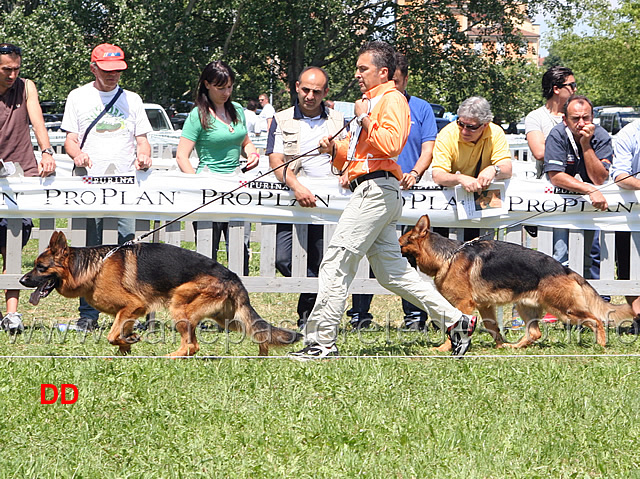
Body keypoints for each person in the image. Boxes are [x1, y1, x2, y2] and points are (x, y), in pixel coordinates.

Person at [289, 41, 476, 361]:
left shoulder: (392, 101)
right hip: (375, 190)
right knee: (393, 274)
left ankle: (321, 343)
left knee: (336, 262)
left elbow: (390, 146)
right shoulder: (372, 102)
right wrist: (333, 150)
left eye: (363, 69)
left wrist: (363, 119)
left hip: (375, 193)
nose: (357, 74)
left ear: (383, 72)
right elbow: (360, 158)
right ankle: (457, 321)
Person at [61, 43, 153, 332]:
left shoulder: (133, 99)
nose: (113, 75)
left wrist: (145, 154)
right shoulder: (78, 96)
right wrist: (77, 155)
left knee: (127, 250)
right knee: (88, 252)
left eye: (118, 70)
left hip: (125, 187)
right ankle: (88, 316)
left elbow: (142, 139)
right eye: (107, 70)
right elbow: (70, 139)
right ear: (93, 68)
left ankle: (129, 313)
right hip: (88, 185)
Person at [348, 52, 439, 331]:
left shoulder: (412, 106)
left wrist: (414, 173)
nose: (395, 88)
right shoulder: (372, 104)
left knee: (404, 257)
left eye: (399, 82)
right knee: (383, 264)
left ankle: (415, 317)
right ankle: (359, 314)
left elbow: (423, 148)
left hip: (396, 187)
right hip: (378, 187)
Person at [266, 66, 346, 329]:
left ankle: (308, 317)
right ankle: (315, 302)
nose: (310, 96)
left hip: (330, 204)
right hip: (293, 200)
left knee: (324, 260)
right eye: (305, 90)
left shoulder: (339, 120)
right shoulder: (281, 118)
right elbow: (275, 159)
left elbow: (349, 157)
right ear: (297, 87)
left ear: (326, 92)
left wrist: (333, 150)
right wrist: (296, 185)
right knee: (283, 258)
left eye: (316, 91)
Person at [176, 60, 259, 273]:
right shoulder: (198, 116)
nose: (226, 92)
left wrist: (252, 153)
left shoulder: (238, 110)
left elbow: (245, 142)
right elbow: (182, 156)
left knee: (240, 248)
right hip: (208, 187)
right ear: (207, 85)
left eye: (230, 87)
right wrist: (197, 184)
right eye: (220, 88)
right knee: (207, 254)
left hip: (237, 186)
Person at [0, 43, 56, 334]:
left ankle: (12, 315)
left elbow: (37, 120)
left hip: (21, 176)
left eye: (16, 69)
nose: (12, 75)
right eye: (6, 69)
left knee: (12, 248)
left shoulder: (26, 87)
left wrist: (46, 151)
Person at [543, 94, 611, 277]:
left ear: (592, 118)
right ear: (565, 119)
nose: (581, 123)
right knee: (560, 256)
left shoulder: (601, 135)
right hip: (560, 206)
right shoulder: (557, 134)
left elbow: (599, 179)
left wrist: (586, 145)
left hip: (591, 208)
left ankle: (594, 302)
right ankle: (560, 303)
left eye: (585, 118)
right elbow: (556, 176)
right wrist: (589, 189)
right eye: (575, 119)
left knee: (591, 257)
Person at [604, 116, 640, 331]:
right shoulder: (630, 133)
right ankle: (638, 316)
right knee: (627, 266)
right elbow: (620, 176)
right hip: (629, 214)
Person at [525, 66, 576, 178]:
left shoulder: (579, 116)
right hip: (548, 185)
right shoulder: (535, 117)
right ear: (556, 89)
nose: (575, 90)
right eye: (572, 86)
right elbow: (539, 152)